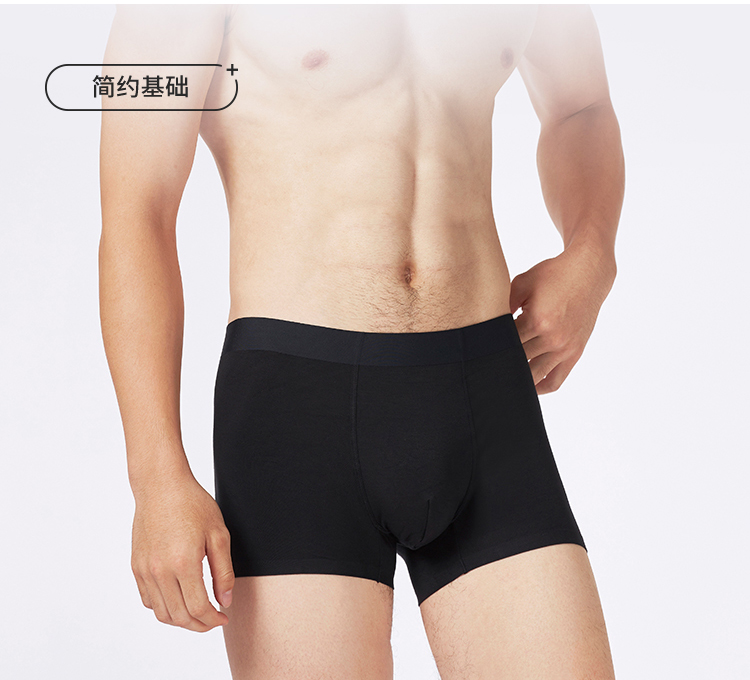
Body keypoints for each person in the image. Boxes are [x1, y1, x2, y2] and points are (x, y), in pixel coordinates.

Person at [99, 4, 623, 678]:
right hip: (298, 413)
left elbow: (581, 107)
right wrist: (155, 477)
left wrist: (592, 251)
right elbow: (137, 210)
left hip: (485, 396)